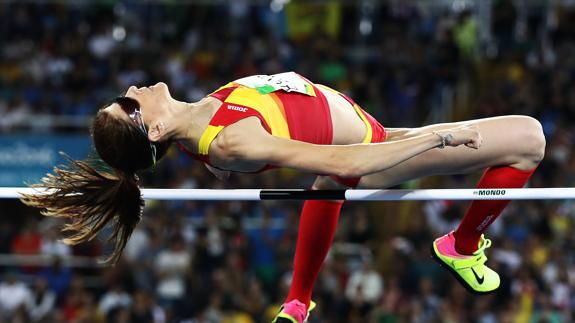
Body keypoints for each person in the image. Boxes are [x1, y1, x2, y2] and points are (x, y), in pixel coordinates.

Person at [22, 72, 545, 323]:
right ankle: (462, 243)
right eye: (124, 104)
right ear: (153, 130)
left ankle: (297, 303)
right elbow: (343, 166)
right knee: (528, 140)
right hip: (377, 149)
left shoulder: (200, 114)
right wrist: (435, 139)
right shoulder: (228, 140)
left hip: (371, 129)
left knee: (328, 188)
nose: (131, 90)